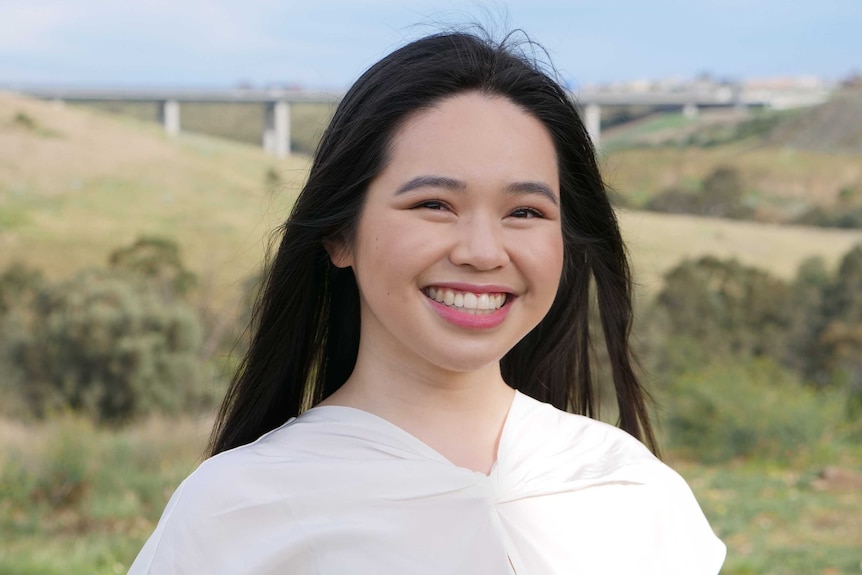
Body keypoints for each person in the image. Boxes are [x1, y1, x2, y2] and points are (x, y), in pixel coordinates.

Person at [128, 29, 726, 574]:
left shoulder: (630, 485)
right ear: (340, 234)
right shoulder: (233, 509)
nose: (482, 252)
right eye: (434, 204)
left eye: (525, 212)